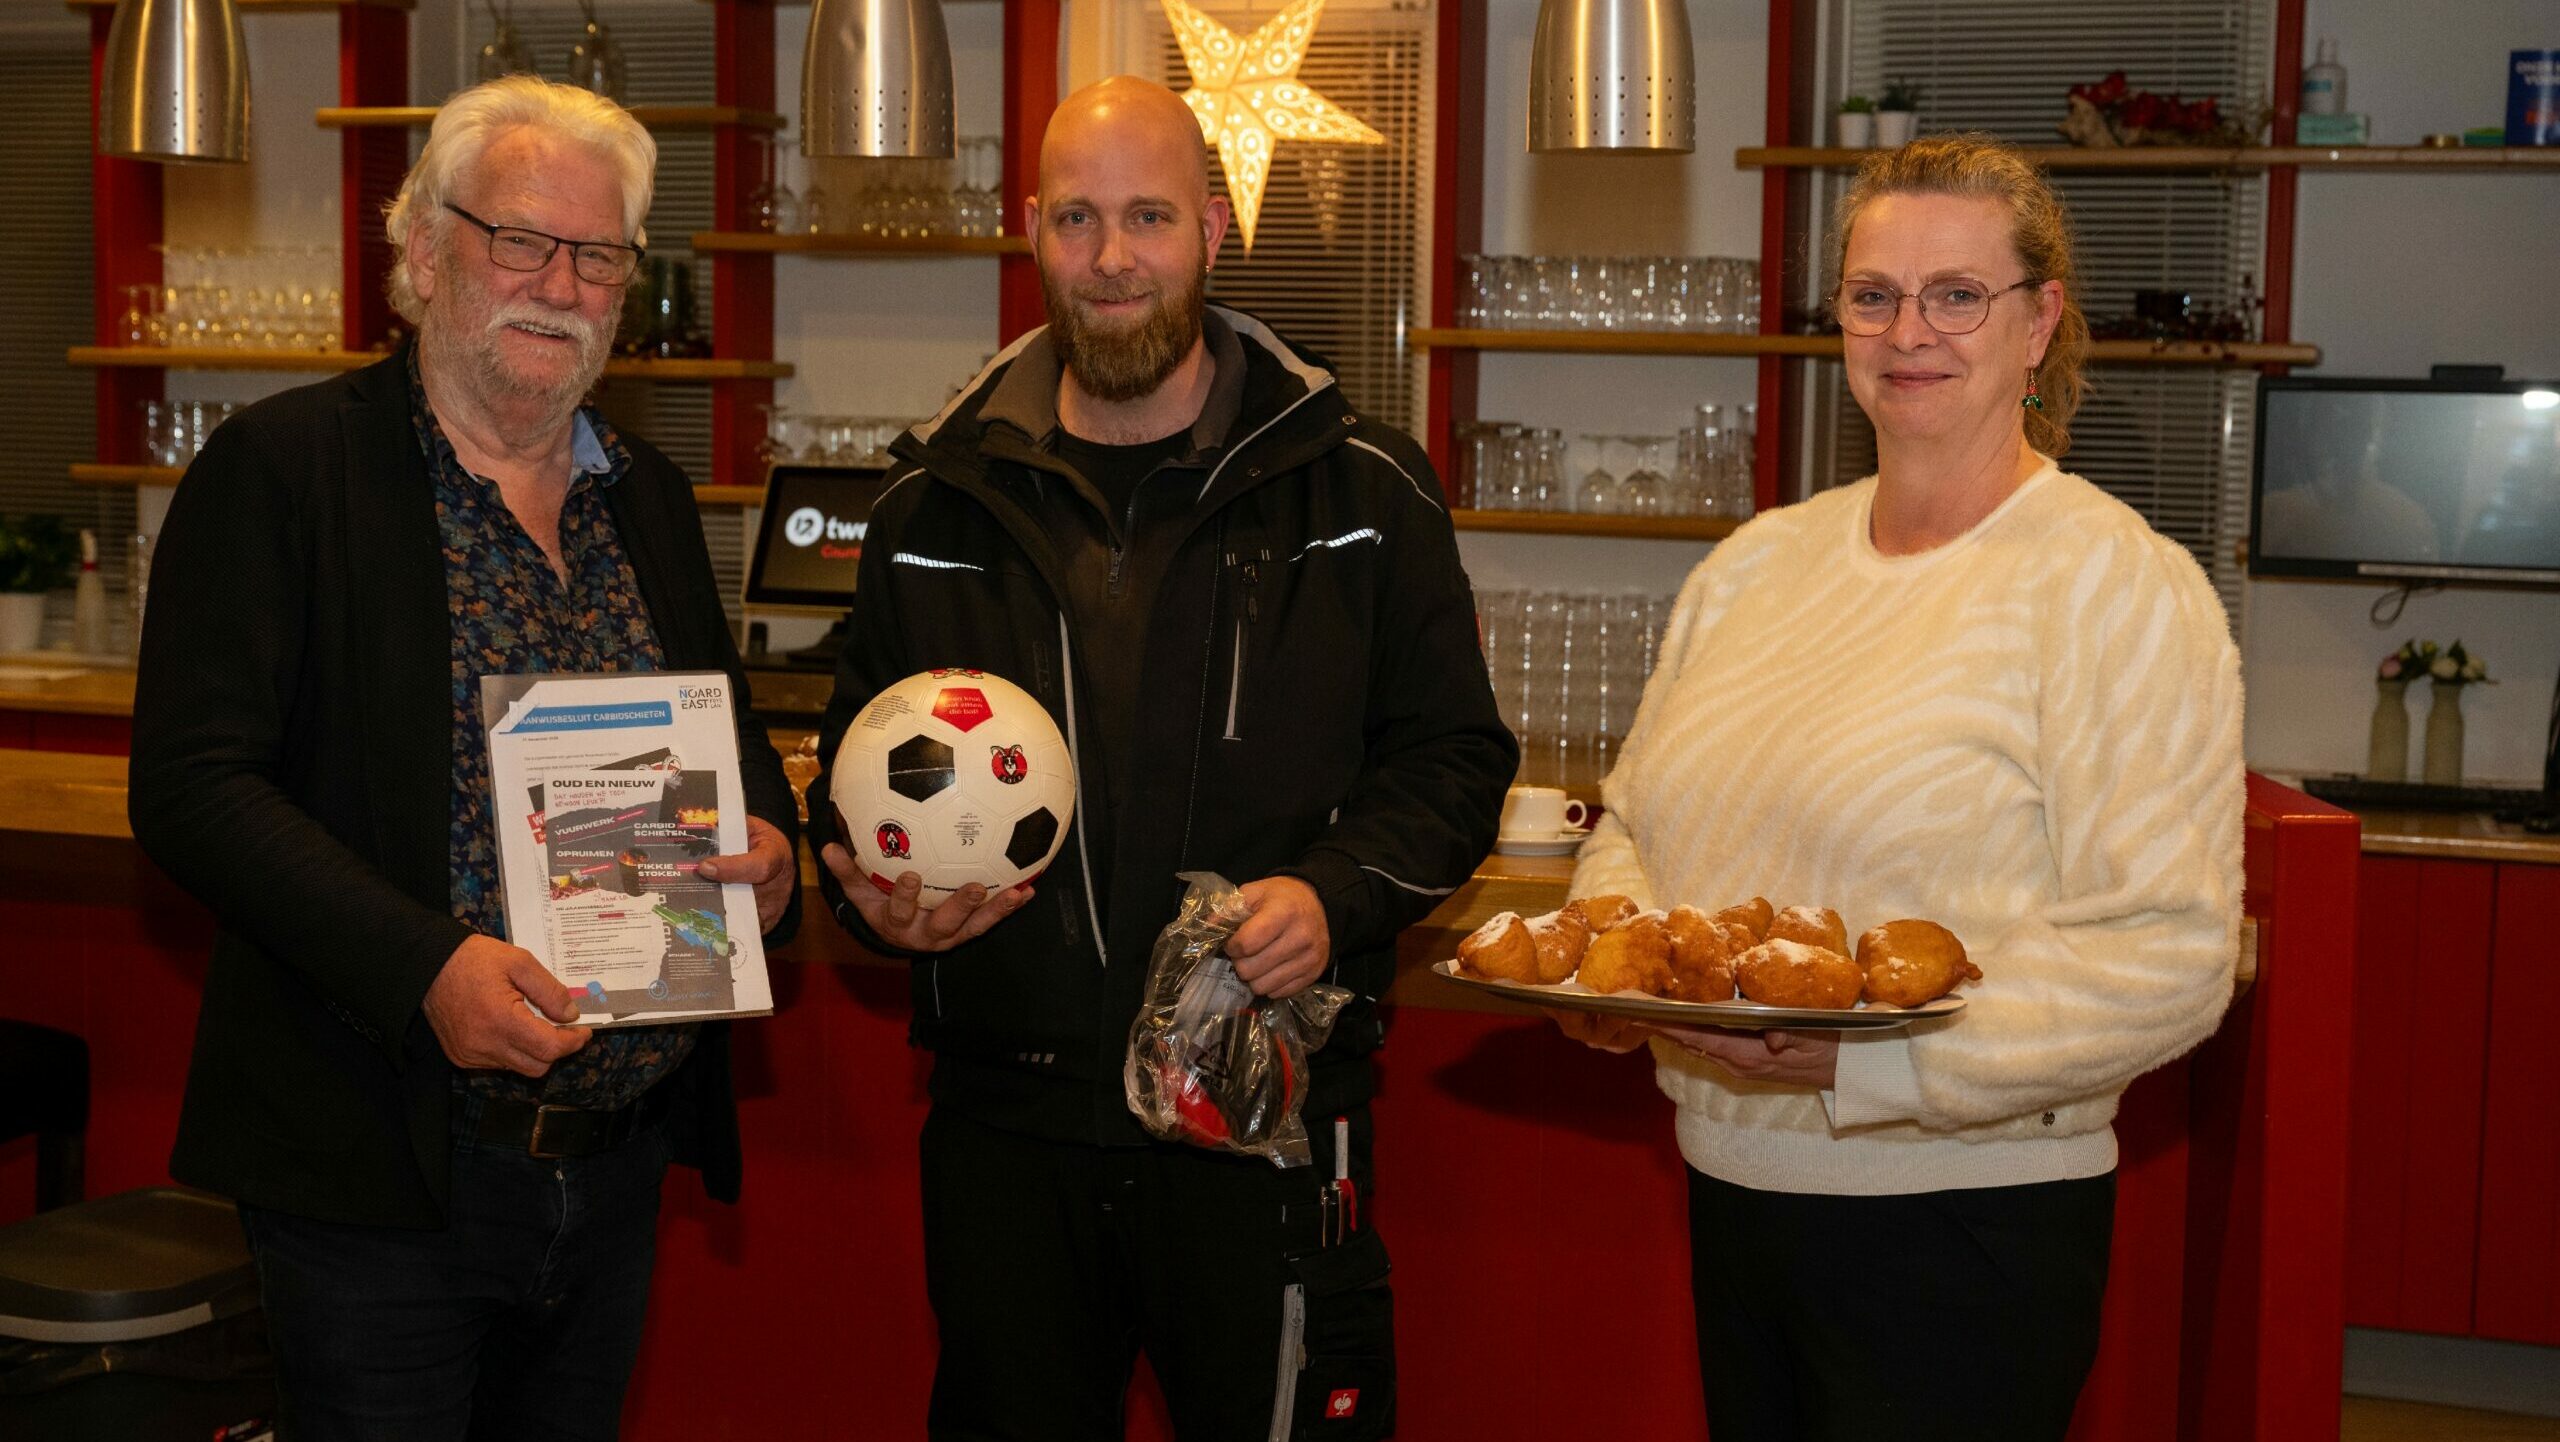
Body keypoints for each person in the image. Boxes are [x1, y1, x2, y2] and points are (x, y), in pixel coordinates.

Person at [807, 75, 1515, 1442]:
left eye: (1148, 216)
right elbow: (854, 779)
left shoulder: (1363, 489)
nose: (1113, 256)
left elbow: (1454, 759)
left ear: (1213, 228)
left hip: (1264, 1117)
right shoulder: (930, 506)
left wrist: (1335, 894)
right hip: (1007, 1131)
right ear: (1032, 228)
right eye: (1078, 217)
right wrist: (878, 904)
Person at [127, 76, 802, 1442]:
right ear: (424, 251)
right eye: (521, 240)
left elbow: (731, 745)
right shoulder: (286, 470)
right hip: (380, 1174)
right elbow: (193, 788)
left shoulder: (650, 499)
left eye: (597, 255)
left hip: (610, 1170)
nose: (560, 284)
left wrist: (773, 858)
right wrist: (423, 968)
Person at [1554, 133, 2244, 1440]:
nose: (1908, 331)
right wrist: (1619, 968)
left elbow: (2167, 952)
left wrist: (1864, 1064)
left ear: (2038, 323)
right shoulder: (1756, 565)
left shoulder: (2115, 586)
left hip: (1964, 1227)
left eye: (1956, 295)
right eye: (1873, 295)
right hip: (1736, 1187)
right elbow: (1634, 821)